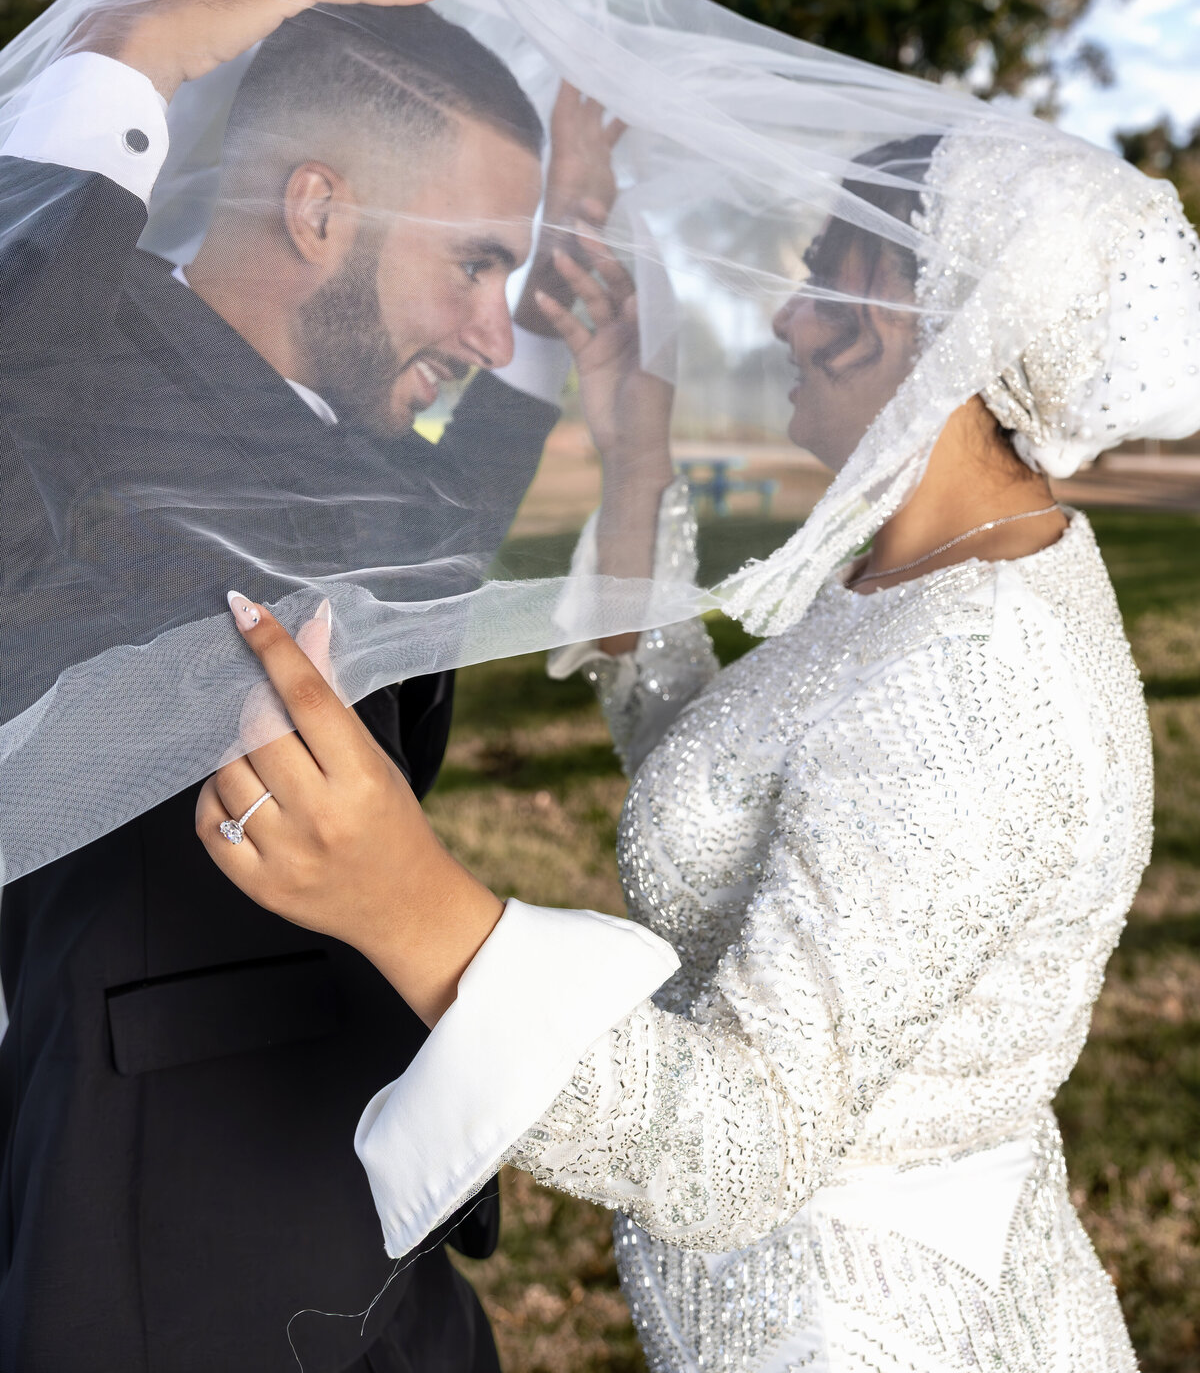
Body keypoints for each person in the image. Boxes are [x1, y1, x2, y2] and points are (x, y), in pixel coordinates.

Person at [195, 134, 1198, 1373]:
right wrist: (636, 449)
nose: (786, 313)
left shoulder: (980, 678)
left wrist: (411, 907)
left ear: (899, 317)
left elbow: (740, 1148)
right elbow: (748, 797)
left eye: (826, 265)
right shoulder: (939, 572)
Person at [0, 0, 618, 1373]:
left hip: (375, 1241)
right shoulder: (74, 380)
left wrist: (545, 296)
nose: (488, 326)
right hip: (166, 1246)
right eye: (474, 263)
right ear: (321, 209)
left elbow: (436, 540)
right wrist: (124, 65)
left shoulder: (338, 433)